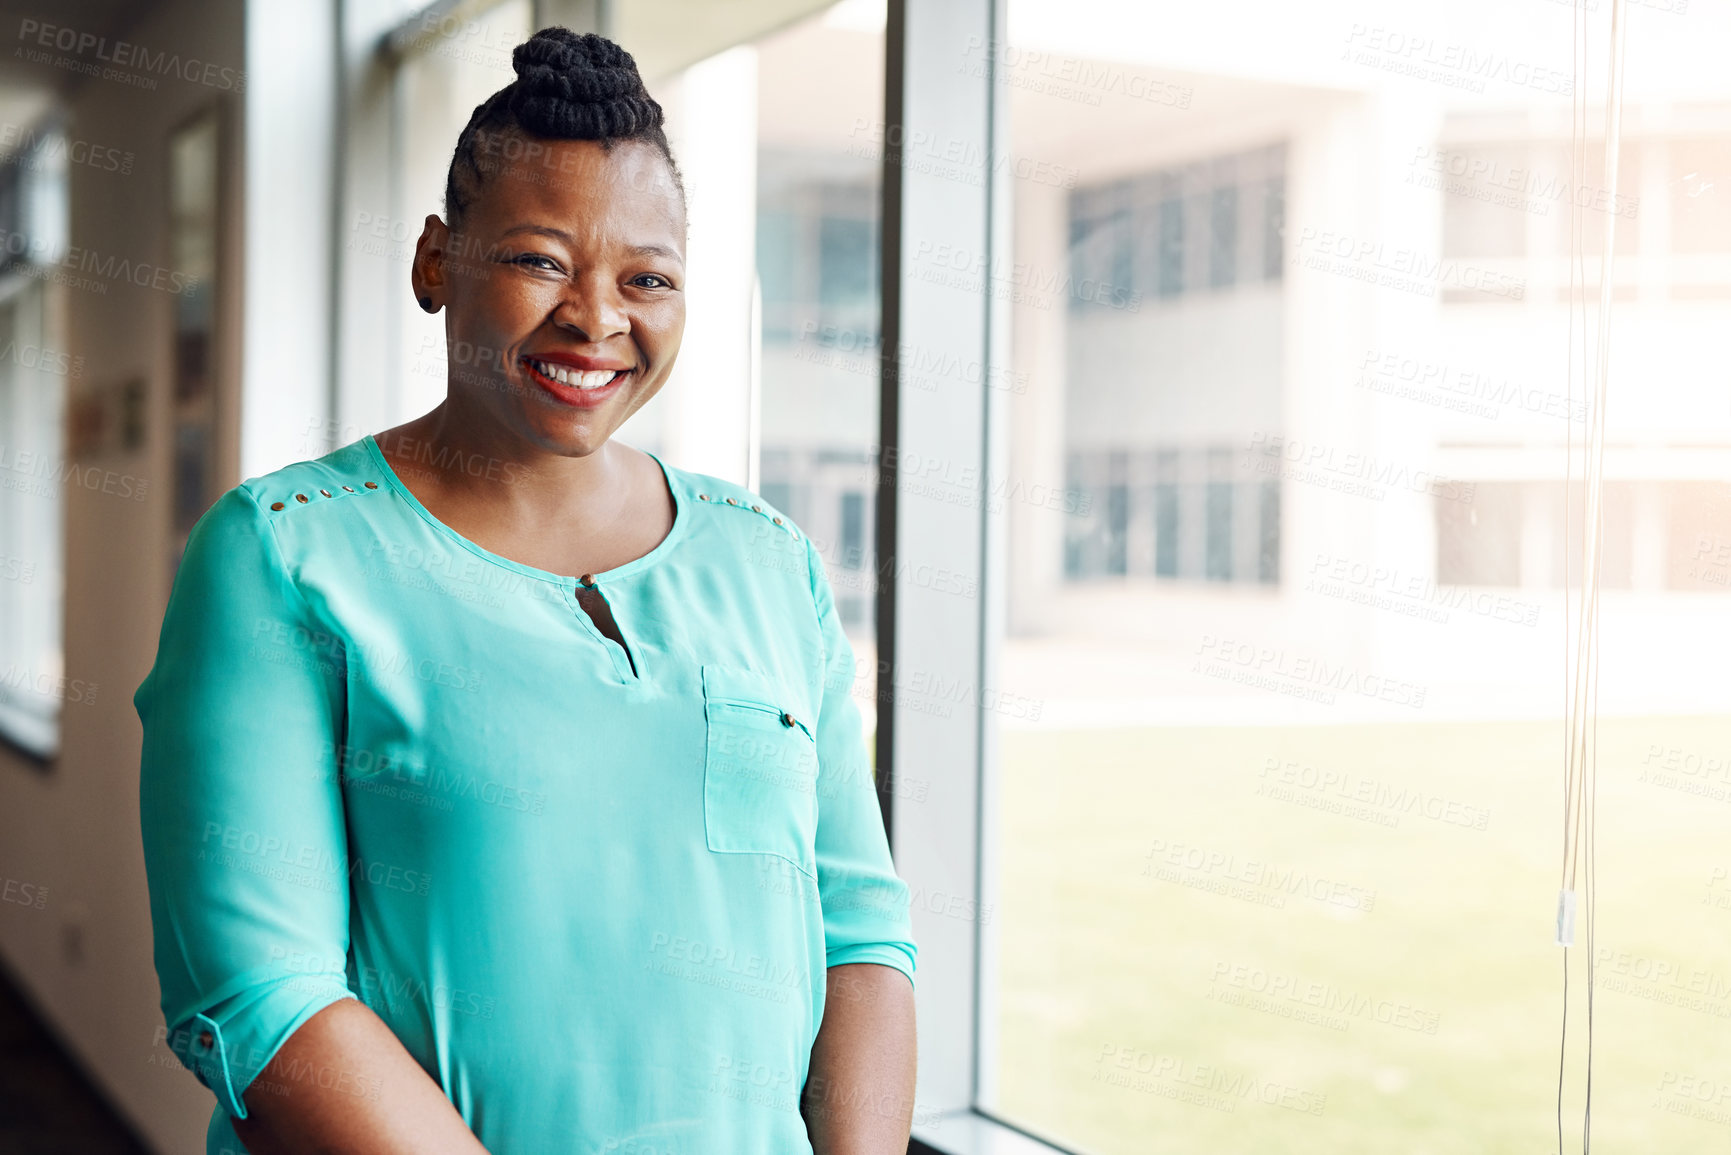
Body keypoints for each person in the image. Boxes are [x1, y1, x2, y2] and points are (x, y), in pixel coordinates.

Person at [135, 27, 917, 1154]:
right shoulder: (283, 557)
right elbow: (261, 991)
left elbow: (860, 935)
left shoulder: (768, 560)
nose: (597, 319)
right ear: (435, 263)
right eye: (541, 260)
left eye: (645, 278)